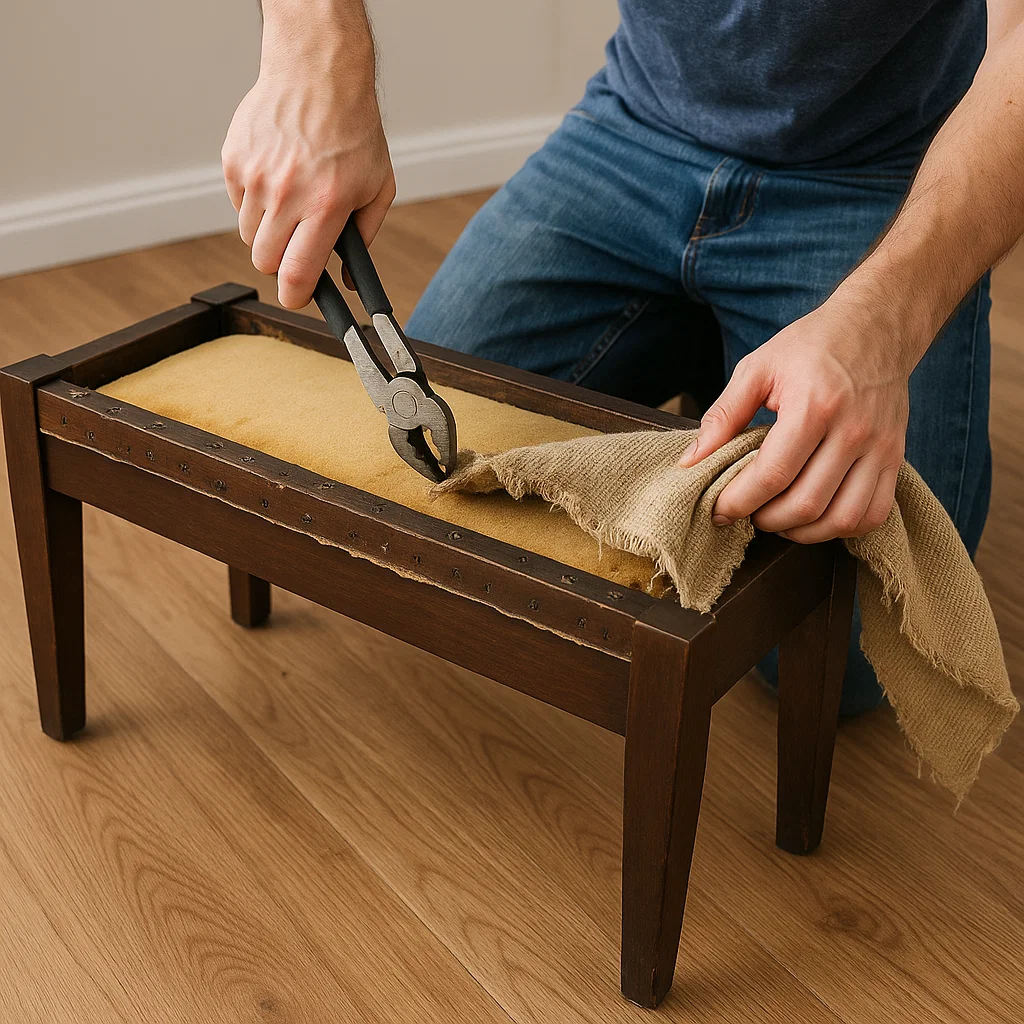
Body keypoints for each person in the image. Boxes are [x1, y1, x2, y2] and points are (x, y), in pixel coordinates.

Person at [222, 0, 1024, 714]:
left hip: (882, 174)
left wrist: (882, 325)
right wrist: (314, 45)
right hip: (632, 132)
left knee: (849, 662)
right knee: (409, 489)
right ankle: (713, 354)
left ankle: (758, 358)